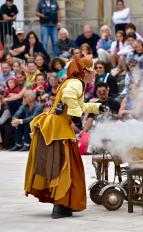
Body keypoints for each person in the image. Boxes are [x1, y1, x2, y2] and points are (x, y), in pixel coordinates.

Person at [24, 58, 108, 219]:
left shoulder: (74, 82)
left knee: (62, 167)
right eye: (92, 70)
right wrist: (76, 117)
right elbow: (69, 97)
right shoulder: (76, 83)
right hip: (59, 131)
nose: (95, 73)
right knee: (65, 167)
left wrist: (98, 107)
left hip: (57, 129)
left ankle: (63, 205)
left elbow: (79, 106)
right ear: (85, 72)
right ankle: (60, 205)